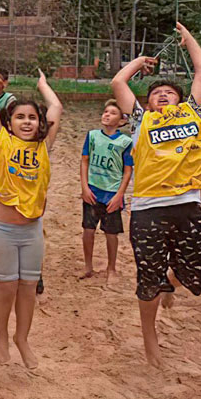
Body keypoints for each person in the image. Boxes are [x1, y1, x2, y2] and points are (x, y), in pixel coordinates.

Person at [111, 22, 201, 368]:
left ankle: (171, 283)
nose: (164, 95)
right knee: (148, 279)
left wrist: (189, 40)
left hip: (187, 204)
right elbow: (118, 83)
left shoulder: (193, 113)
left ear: (181, 100)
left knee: (196, 273)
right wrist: (140, 62)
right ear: (148, 101)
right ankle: (150, 338)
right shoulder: (141, 120)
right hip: (148, 209)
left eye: (170, 92)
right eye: (157, 92)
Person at [0, 63, 62, 369]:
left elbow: (56, 107)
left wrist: (43, 85)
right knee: (6, 287)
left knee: (28, 288)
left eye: (32, 117)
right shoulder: (0, 141)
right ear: (9, 122)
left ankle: (22, 338)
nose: (26, 122)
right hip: (2, 229)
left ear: (39, 122)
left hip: (32, 231)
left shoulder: (43, 145)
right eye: (20, 117)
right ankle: (1, 336)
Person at [79, 99, 133, 284]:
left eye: (113, 113)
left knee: (111, 233)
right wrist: (84, 187)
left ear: (122, 121)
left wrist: (119, 195)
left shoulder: (125, 142)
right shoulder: (92, 136)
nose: (107, 115)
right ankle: (88, 266)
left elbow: (128, 171)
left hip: (111, 193)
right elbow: (84, 161)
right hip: (92, 190)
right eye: (105, 111)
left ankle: (111, 268)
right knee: (88, 229)